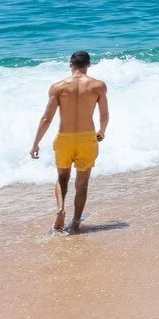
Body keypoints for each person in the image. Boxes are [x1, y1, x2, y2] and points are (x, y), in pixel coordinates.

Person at [30, 51, 110, 235]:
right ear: (89, 65)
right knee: (82, 183)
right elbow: (104, 114)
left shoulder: (57, 87)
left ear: (70, 64)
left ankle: (60, 210)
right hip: (87, 137)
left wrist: (36, 143)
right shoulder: (98, 86)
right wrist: (102, 131)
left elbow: (46, 119)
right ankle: (75, 223)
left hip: (65, 137)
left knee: (62, 178)